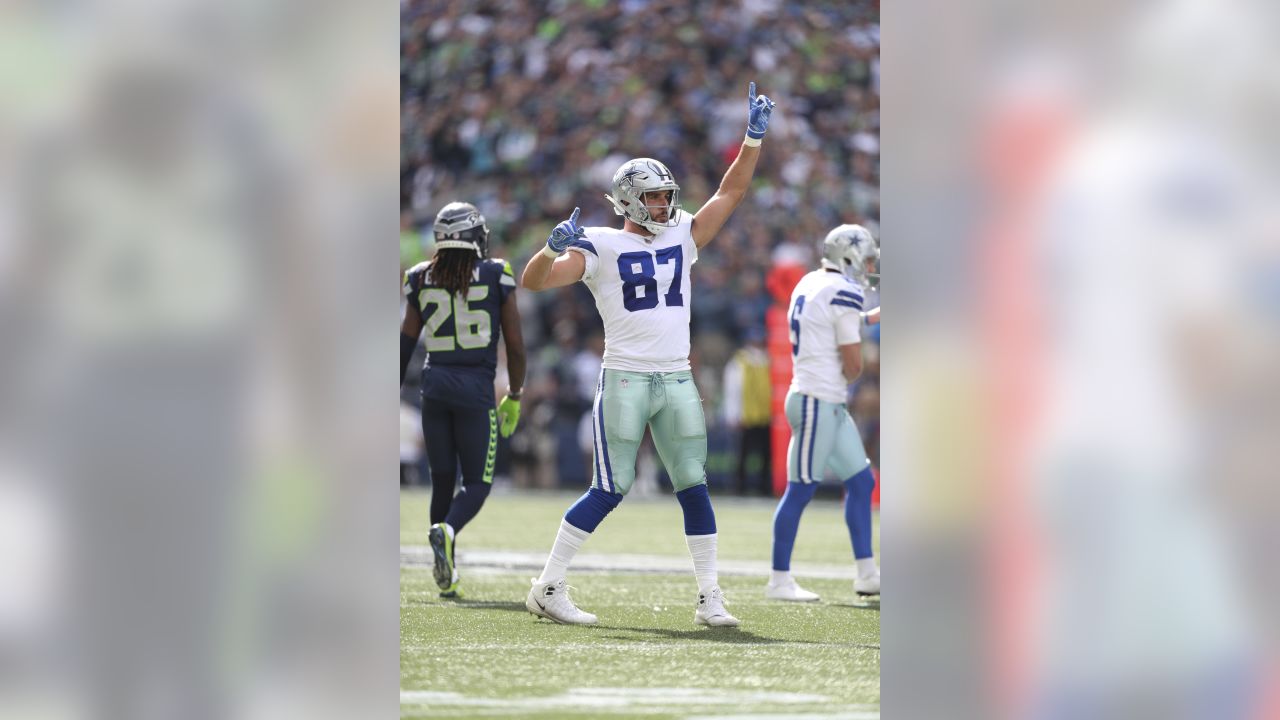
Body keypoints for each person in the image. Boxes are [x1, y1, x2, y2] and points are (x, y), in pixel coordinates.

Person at [519, 82, 777, 626]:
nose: (665, 203)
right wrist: (551, 247)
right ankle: (548, 585)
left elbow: (728, 195)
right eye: (655, 196)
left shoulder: (682, 231)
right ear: (631, 199)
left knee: (693, 482)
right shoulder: (600, 243)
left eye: (666, 194)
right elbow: (535, 281)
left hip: (677, 378)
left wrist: (752, 140)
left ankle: (710, 595)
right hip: (627, 378)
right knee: (610, 487)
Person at [400, 201, 526, 598]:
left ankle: (445, 567)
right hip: (475, 388)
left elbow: (404, 344)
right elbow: (516, 345)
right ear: (474, 236)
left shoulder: (419, 277)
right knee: (476, 483)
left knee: (441, 481)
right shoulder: (495, 273)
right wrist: (516, 393)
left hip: (434, 385)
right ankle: (448, 532)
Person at [767, 224, 882, 602]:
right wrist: (859, 363)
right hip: (818, 399)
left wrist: (872, 317)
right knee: (801, 489)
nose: (867, 267)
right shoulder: (845, 291)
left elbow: (827, 321)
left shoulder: (811, 281)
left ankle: (868, 574)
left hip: (822, 400)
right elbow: (853, 365)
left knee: (862, 482)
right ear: (848, 257)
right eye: (865, 259)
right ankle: (780, 580)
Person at [722, 327, 773, 496]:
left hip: (765, 415)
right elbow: (732, 390)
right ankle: (739, 487)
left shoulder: (768, 359)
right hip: (746, 415)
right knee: (742, 454)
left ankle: (764, 487)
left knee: (766, 454)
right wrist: (733, 414)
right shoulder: (739, 362)